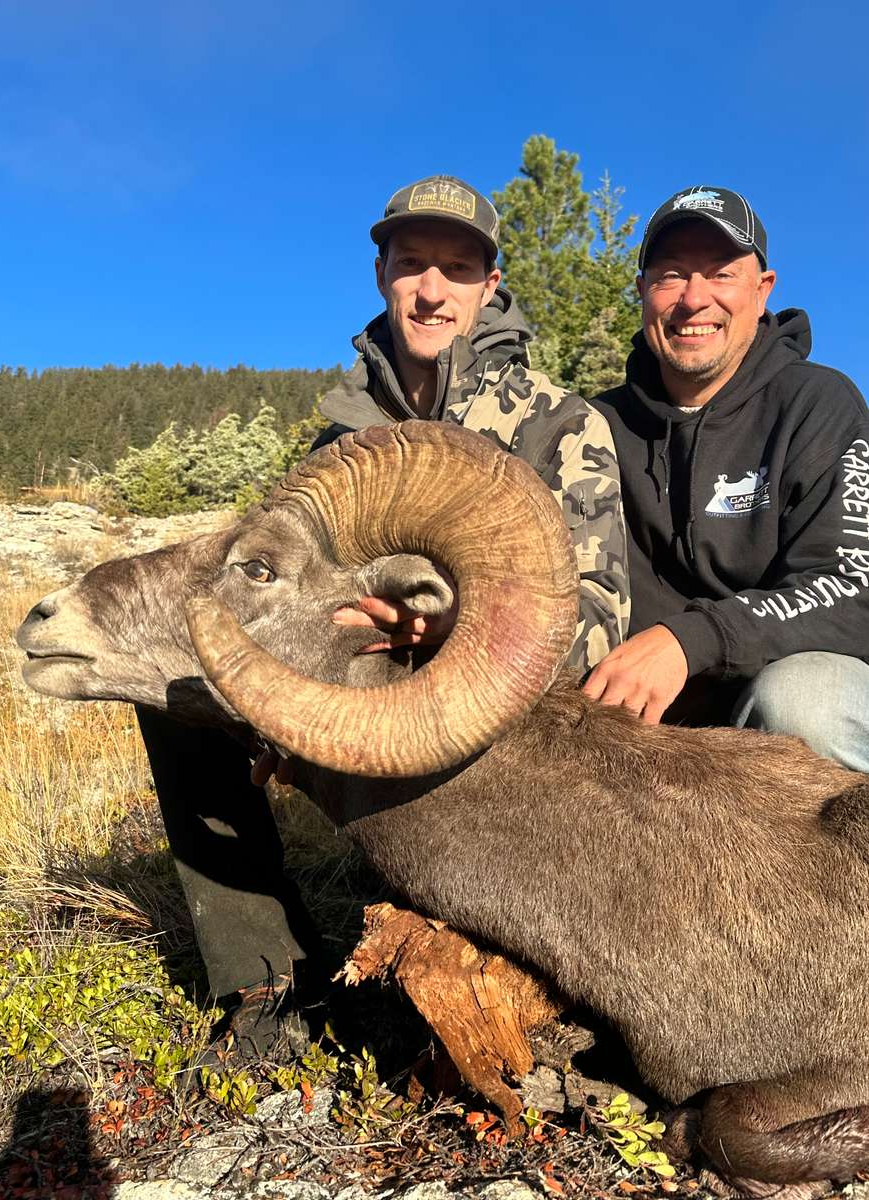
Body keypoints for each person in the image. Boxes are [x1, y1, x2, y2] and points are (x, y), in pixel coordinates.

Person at [138, 174, 631, 1058]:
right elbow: (278, 589)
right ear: (381, 274)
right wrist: (266, 699)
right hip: (358, 701)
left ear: (490, 283)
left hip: (500, 732)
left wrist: (454, 641)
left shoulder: (561, 426)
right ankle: (263, 979)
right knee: (184, 688)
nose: (431, 290)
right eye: (411, 265)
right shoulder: (339, 443)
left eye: (456, 268)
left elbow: (599, 620)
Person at [587, 184, 869, 771]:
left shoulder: (819, 404)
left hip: (765, 701)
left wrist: (692, 640)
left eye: (721, 273)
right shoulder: (595, 426)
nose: (694, 300)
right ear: (642, 291)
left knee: (804, 703)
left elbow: (854, 590)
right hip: (632, 716)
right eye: (670, 275)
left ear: (762, 291)